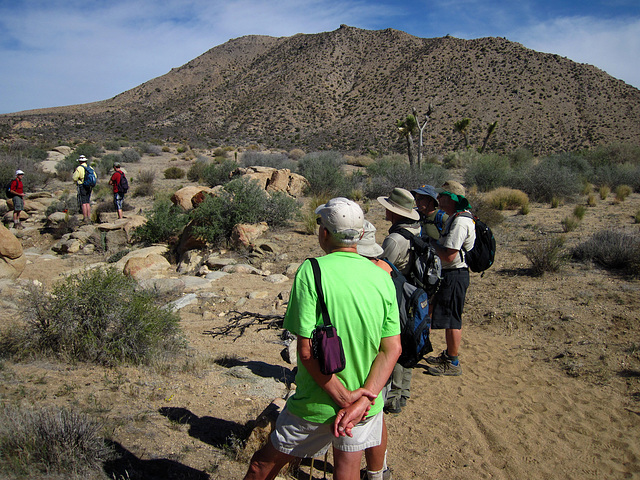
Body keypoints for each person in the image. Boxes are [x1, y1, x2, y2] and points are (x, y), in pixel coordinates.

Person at [243, 198, 401, 480]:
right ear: (361, 234)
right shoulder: (382, 276)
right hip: (365, 405)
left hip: (317, 402)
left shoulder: (311, 271)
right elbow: (392, 349)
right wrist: (360, 402)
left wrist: (344, 398)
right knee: (347, 470)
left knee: (261, 466)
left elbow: (305, 352)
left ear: (324, 233)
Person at [376, 188, 420, 414]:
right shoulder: (417, 231)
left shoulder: (394, 239)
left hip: (398, 295)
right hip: (415, 294)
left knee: (394, 343)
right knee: (408, 341)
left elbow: (382, 270)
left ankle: (392, 397)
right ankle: (403, 393)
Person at [356, 220, 394, 479]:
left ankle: (374, 471)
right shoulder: (385, 270)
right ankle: (377, 472)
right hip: (386, 356)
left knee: (369, 418)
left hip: (365, 358)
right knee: (376, 415)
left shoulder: (362, 275)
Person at [426, 181, 475, 376]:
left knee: (453, 319)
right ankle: (448, 355)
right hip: (451, 274)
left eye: (443, 196)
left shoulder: (460, 222)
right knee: (448, 317)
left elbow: (449, 255)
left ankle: (453, 362)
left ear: (452, 199)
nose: (439, 199)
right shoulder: (456, 218)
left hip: (455, 274)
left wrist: (429, 245)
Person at [72, 155, 93, 223]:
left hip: (82, 185)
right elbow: (94, 176)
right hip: (89, 186)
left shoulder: (79, 168)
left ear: (80, 161)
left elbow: (74, 178)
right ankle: (89, 216)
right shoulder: (90, 167)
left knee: (83, 202)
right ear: (86, 161)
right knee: (88, 201)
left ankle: (85, 217)